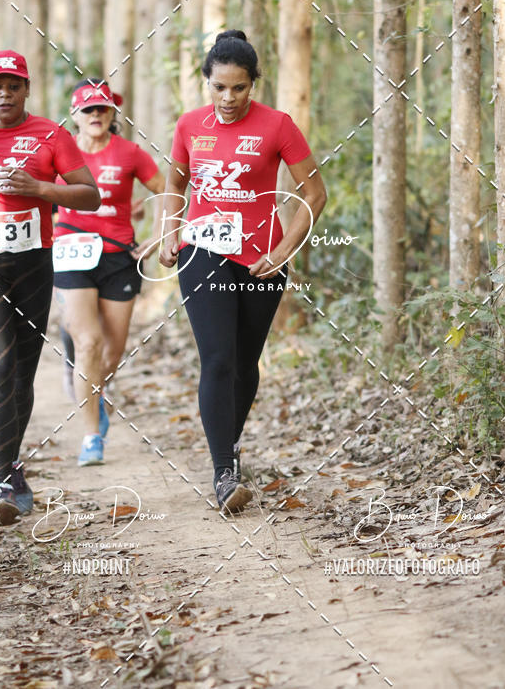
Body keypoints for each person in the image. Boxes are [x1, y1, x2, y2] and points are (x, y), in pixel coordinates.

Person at [159, 30, 327, 513]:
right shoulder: (190, 125)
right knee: (217, 359)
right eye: (219, 87)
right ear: (206, 83)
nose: (228, 98)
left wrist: (283, 250)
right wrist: (170, 232)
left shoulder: (277, 125)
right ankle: (223, 474)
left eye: (239, 88)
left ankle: (229, 446)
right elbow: (175, 184)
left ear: (254, 83)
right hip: (202, 252)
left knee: (245, 362)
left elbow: (315, 194)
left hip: (261, 261)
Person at [0, 50, 100, 525]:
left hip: (34, 261)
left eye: (14, 86)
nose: (5, 94)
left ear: (27, 90)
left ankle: (12, 469)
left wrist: (41, 190)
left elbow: (90, 194)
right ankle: (1, 484)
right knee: (0, 363)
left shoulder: (51, 135)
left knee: (22, 374)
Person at [53, 79, 164, 466]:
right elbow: (39, 195)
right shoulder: (58, 152)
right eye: (88, 109)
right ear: (75, 115)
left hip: (119, 257)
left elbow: (167, 191)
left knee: (112, 352)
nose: (96, 114)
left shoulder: (130, 153)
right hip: (71, 253)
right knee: (89, 343)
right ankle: (90, 437)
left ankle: (93, 394)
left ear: (113, 113)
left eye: (102, 108)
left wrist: (157, 237)